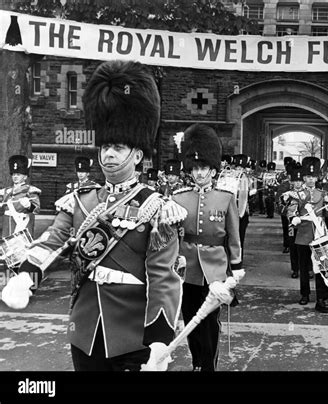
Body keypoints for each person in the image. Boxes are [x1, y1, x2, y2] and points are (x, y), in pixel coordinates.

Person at [1, 60, 185, 371]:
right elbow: (53, 240)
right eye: (104, 147)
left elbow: (162, 278)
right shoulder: (82, 201)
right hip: (85, 330)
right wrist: (26, 275)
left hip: (133, 336)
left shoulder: (156, 207)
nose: (108, 155)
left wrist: (159, 339)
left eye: (117, 147)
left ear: (137, 155)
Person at [172, 123, 242, 372]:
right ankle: (196, 364)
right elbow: (172, 237)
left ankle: (209, 366)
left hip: (215, 270)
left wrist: (236, 269)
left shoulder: (225, 198)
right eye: (195, 169)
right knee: (190, 319)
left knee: (210, 323)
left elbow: (233, 238)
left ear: (213, 171)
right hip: (187, 269)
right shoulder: (179, 198)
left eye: (204, 169)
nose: (199, 174)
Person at [287, 157, 328, 312]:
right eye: (308, 177)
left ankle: (322, 297)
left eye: (313, 177)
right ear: (304, 178)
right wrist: (293, 217)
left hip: (319, 234)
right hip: (303, 234)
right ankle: (305, 294)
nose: (310, 179)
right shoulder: (298, 194)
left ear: (317, 178)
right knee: (303, 267)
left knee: (322, 266)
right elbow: (292, 209)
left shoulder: (323, 194)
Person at [0, 155, 41, 238]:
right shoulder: (5, 191)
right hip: (6, 227)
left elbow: (37, 209)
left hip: (21, 225)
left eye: (18, 174)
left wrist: (29, 205)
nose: (15, 177)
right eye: (13, 174)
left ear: (25, 177)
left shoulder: (31, 190)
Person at [282, 164, 303, 278]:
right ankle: (294, 269)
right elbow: (281, 208)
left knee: (305, 247)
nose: (298, 183)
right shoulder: (287, 194)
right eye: (296, 181)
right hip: (291, 224)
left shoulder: (307, 193)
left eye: (300, 181)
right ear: (292, 182)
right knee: (293, 246)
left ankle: (307, 268)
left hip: (304, 223)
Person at [232, 154, 253, 260]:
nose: (239, 170)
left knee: (240, 237)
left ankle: (238, 259)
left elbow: (248, 194)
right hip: (231, 210)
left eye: (241, 168)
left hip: (242, 211)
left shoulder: (247, 178)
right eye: (237, 168)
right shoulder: (230, 177)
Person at [276, 157, 294, 253]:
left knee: (292, 228)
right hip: (286, 210)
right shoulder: (284, 184)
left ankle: (291, 244)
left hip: (295, 210)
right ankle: (287, 244)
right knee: (286, 228)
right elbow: (278, 198)